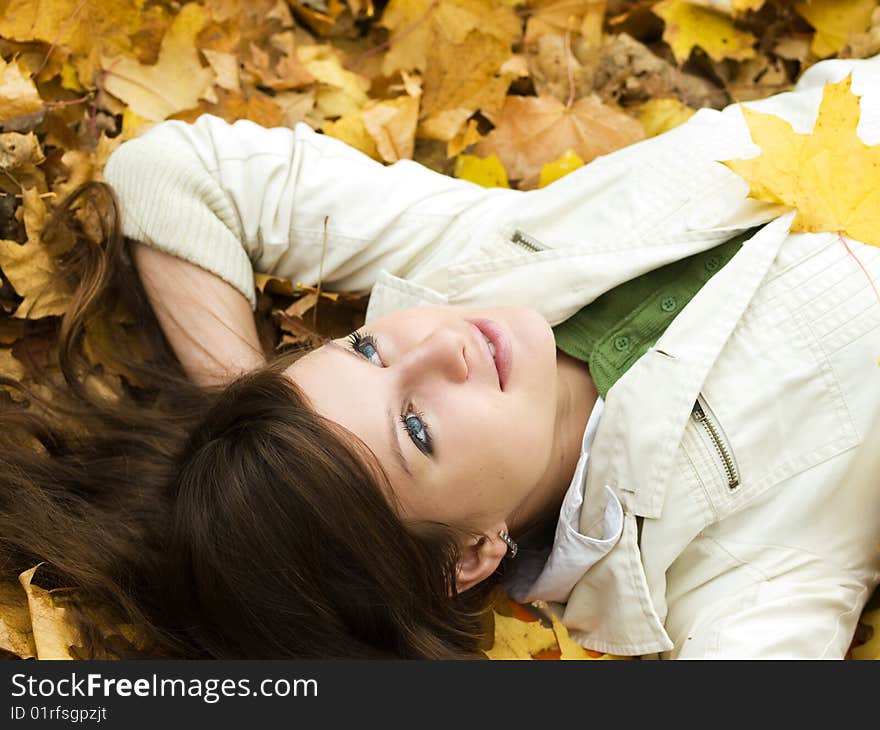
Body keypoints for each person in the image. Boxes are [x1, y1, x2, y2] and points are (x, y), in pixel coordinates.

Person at [2, 54, 879, 659]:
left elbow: (171, 172)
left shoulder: (471, 262)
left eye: (367, 347)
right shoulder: (730, 574)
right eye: (416, 429)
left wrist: (255, 414)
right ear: (470, 557)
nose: (440, 347)